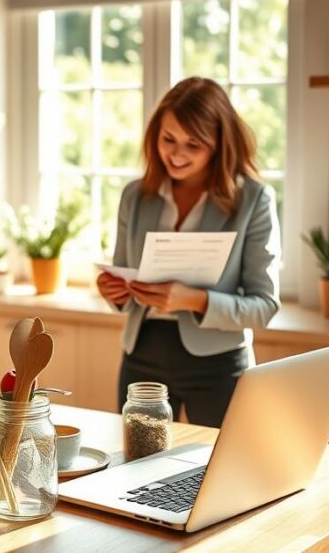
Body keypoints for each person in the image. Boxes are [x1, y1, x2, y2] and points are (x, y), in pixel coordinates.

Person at [96, 77, 281, 429]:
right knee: (138, 473)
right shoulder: (135, 197)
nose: (177, 154)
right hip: (141, 359)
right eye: (168, 139)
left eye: (193, 144)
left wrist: (194, 300)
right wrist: (114, 292)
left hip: (219, 365)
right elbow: (122, 276)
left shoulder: (253, 201)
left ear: (219, 145)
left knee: (220, 473)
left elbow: (264, 307)